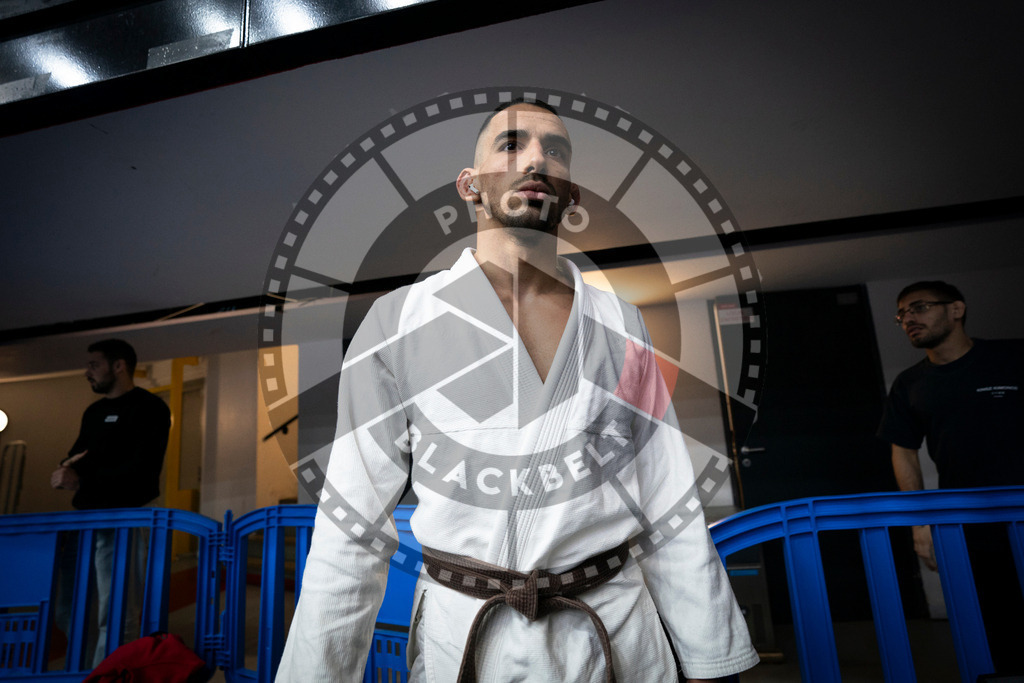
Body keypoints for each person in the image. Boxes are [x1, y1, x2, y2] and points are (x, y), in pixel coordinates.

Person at [276, 99, 759, 682]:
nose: (536, 160)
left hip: (611, 631)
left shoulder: (620, 323)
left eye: (555, 150)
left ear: (570, 194)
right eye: (511, 145)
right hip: (468, 638)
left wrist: (713, 658)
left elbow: (666, 499)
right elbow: (351, 523)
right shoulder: (399, 321)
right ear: (470, 185)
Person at [878, 281, 1024, 673]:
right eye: (901, 314)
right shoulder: (910, 384)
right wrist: (920, 522)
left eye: (919, 307)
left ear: (956, 309)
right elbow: (903, 451)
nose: (908, 318)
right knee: (995, 621)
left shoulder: (1012, 356)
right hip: (968, 520)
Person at [50, 338, 171, 667]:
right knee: (67, 609)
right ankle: (84, 670)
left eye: (94, 365)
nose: (86, 372)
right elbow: (79, 456)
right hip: (83, 522)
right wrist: (66, 468)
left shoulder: (150, 408)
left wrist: (82, 477)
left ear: (119, 366)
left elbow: (142, 472)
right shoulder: (94, 412)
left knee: (116, 611)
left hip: (122, 521)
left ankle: (108, 676)